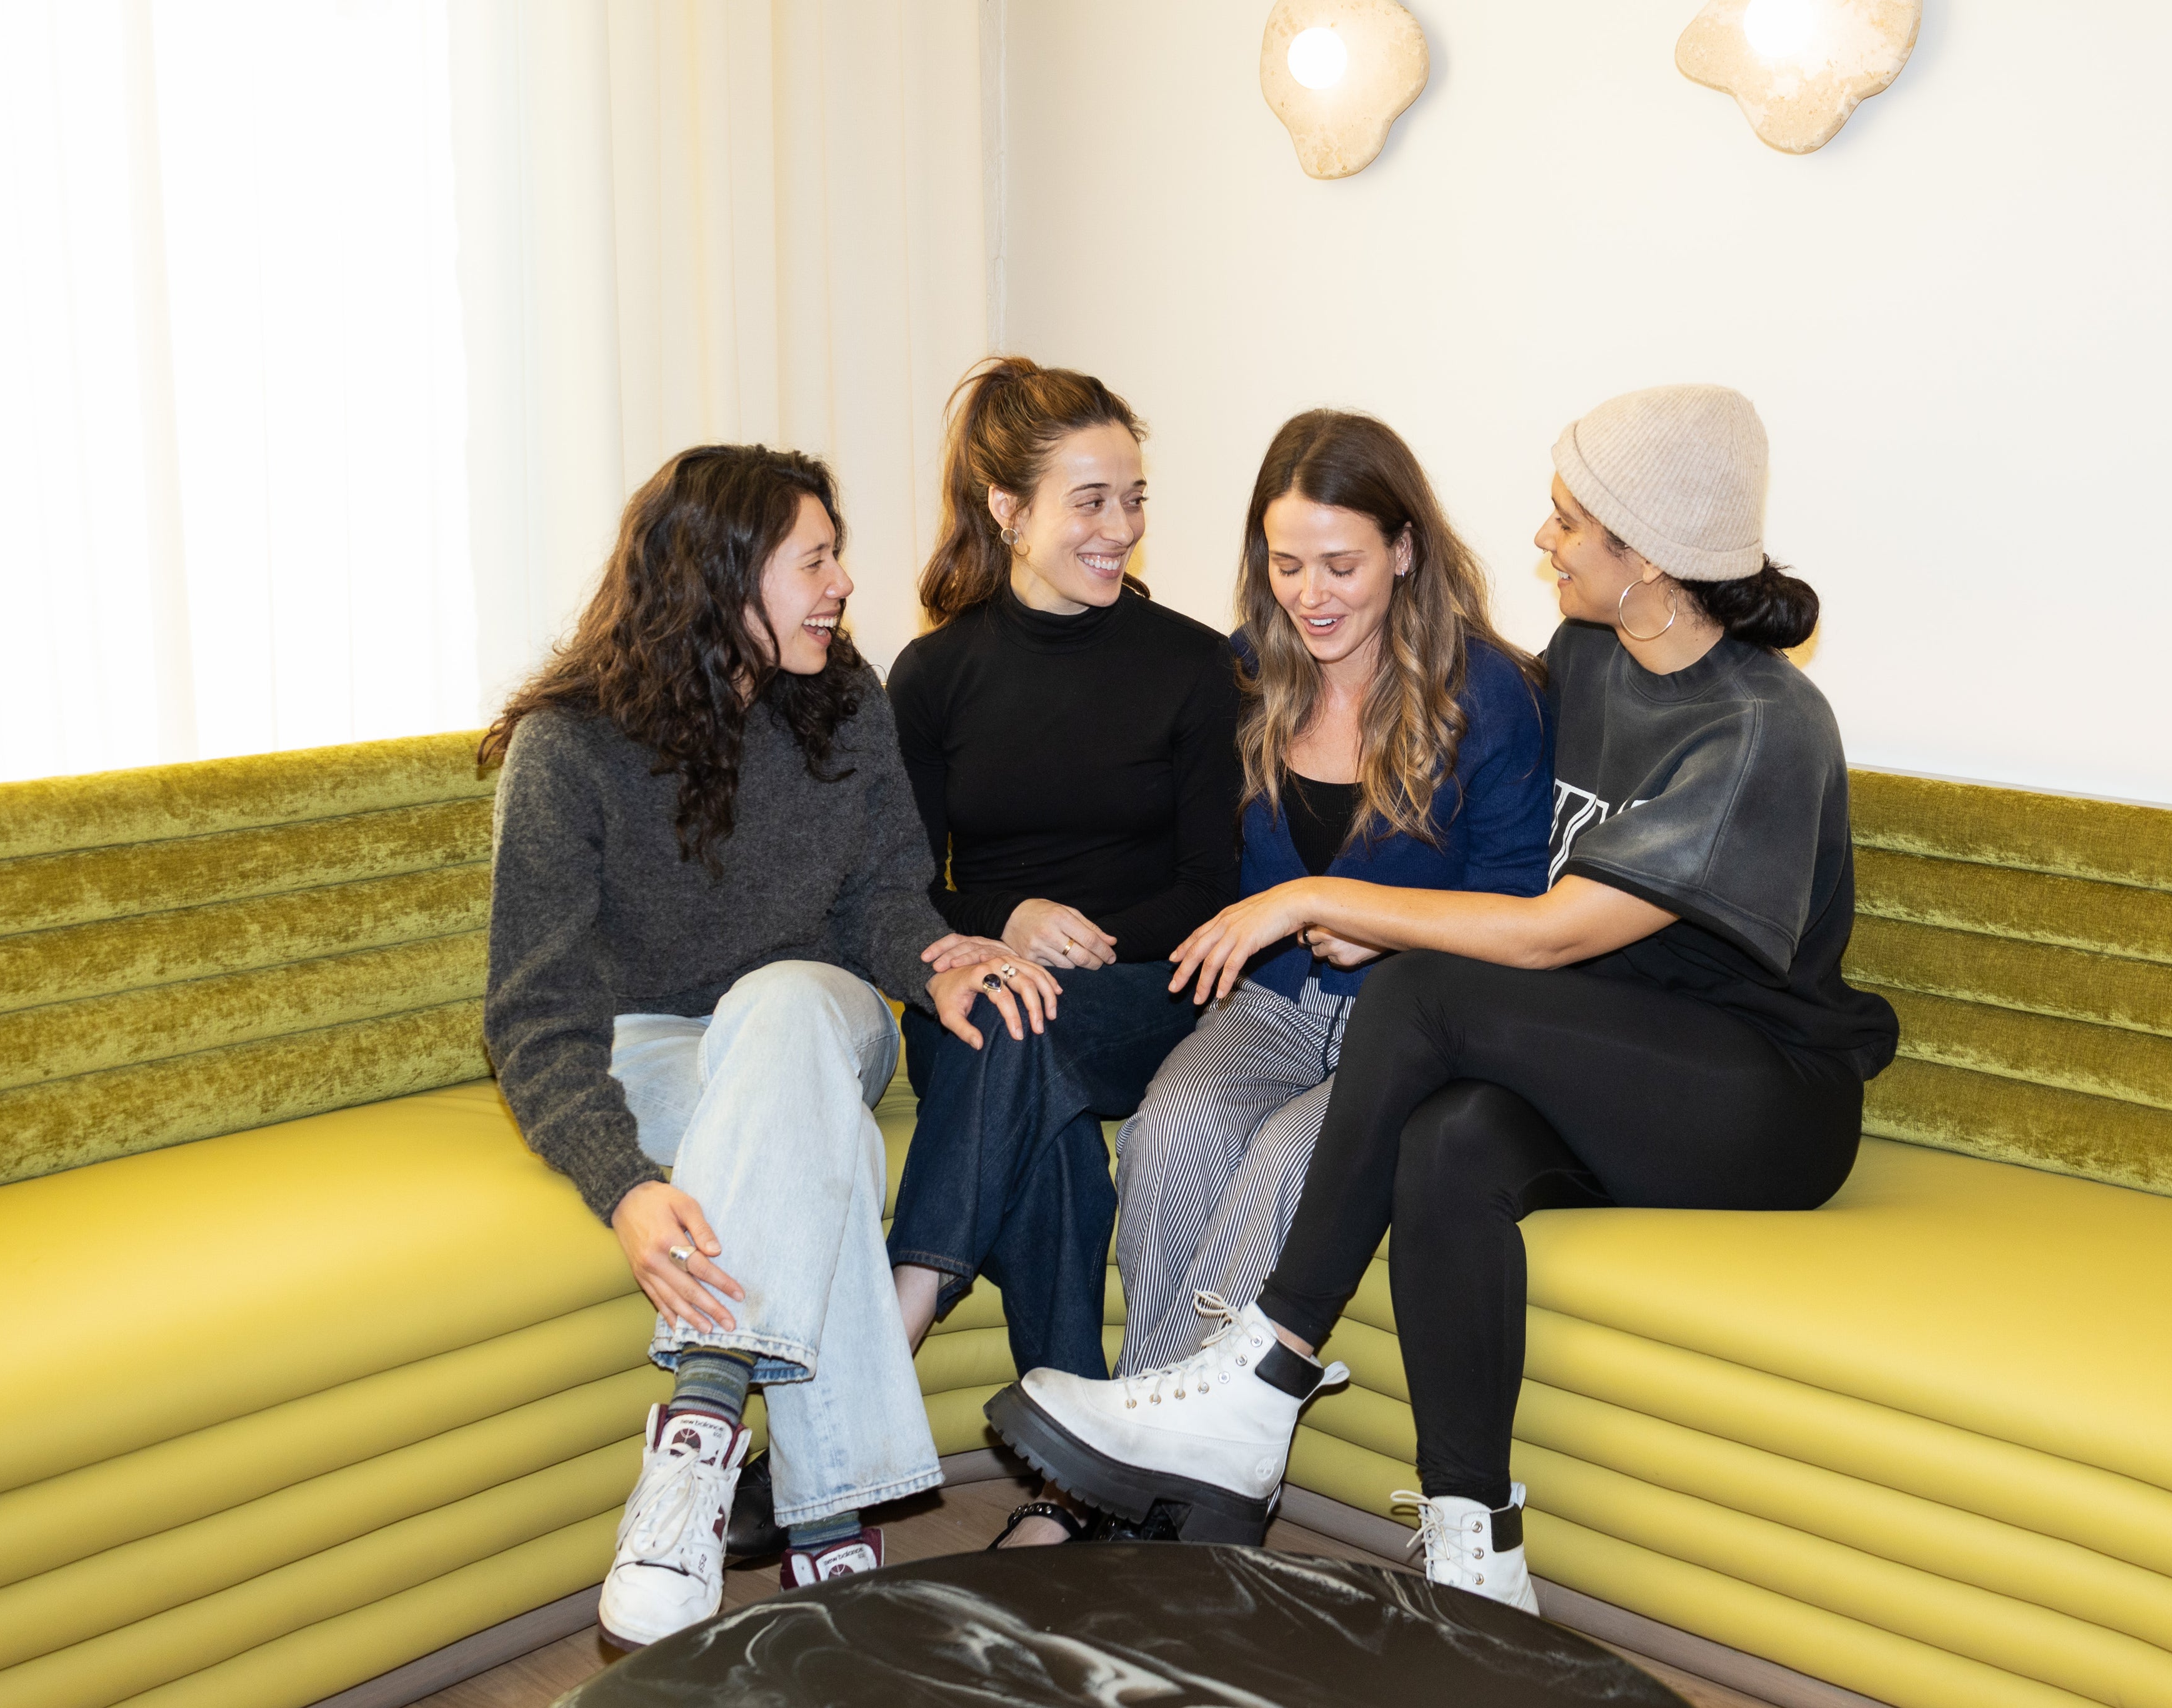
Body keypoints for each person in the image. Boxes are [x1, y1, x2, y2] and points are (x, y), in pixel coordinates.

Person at [985, 385, 1901, 1606]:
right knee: (1449, 1141)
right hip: (1608, 1057)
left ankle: (1259, 1375)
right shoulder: (1588, 659)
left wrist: (1317, 900)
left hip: (1759, 1095)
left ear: (1650, 559)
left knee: (1423, 995)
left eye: (1574, 523)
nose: (1545, 540)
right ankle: (1476, 1541)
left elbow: (1546, 927)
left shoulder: (1763, 725)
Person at [481, 445, 1059, 1649]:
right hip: (656, 1051)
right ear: (719, 577)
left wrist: (941, 961)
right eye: (817, 560)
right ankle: (829, 1527)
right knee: (824, 1149)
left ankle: (694, 1433)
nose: (845, 582)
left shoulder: (844, 699)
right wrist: (626, 1186)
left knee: (789, 1003)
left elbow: (892, 901)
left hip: (818, 1018)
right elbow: (533, 1016)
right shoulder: (569, 749)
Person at [1110, 409, 1551, 1399]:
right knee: (1171, 1125)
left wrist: (1371, 921)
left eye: (1341, 566)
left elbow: (1521, 906)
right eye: (1286, 564)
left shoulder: (1489, 692)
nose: (1311, 596)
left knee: (1281, 1156)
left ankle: (1163, 1436)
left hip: (1417, 1029)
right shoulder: (1243, 673)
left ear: (1404, 550)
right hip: (1267, 1004)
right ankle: (1151, 1435)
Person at [884, 358, 1241, 1546]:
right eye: (1091, 501)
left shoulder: (1196, 666)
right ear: (1008, 508)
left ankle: (898, 1314)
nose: (1122, 528)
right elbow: (903, 887)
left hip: (1146, 993)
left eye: (1134, 497)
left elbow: (1210, 887)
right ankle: (1071, 1488)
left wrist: (1078, 945)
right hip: (987, 991)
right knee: (1022, 1061)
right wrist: (1008, 923)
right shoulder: (933, 676)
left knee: (1023, 1026)